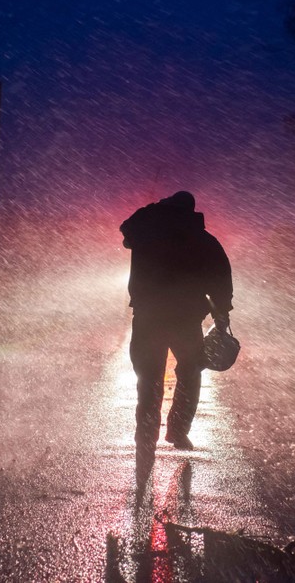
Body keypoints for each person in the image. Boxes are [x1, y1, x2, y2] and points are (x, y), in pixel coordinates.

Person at [120, 190, 233, 464]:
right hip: (186, 320)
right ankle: (178, 432)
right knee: (190, 374)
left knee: (149, 379)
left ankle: (146, 438)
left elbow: (127, 229)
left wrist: (155, 206)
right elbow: (220, 278)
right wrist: (222, 314)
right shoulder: (203, 240)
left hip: (148, 318)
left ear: (166, 207)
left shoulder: (146, 235)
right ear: (192, 212)